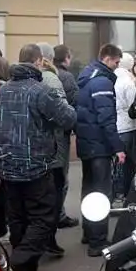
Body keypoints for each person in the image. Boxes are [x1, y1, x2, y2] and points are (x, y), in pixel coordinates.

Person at [0, 44, 76, 271]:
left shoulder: (1, 91)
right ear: (39, 61)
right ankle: (16, 263)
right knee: (43, 218)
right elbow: (68, 118)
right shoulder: (41, 91)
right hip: (36, 167)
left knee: (18, 219)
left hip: (7, 166)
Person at [75, 43, 125, 257]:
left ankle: (88, 232)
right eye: (116, 61)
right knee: (101, 194)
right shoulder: (103, 81)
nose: (117, 65)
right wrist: (118, 148)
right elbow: (106, 119)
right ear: (107, 59)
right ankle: (98, 241)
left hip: (86, 144)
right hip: (100, 147)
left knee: (88, 190)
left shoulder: (86, 76)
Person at [36, 43, 69, 257]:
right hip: (53, 148)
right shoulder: (51, 79)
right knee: (54, 193)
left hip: (31, 151)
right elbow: (64, 115)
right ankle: (48, 238)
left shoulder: (15, 82)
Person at [52, 44, 79, 229]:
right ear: (66, 58)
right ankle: (59, 215)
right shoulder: (66, 77)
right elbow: (73, 105)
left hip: (44, 135)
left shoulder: (46, 74)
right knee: (61, 177)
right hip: (60, 134)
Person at [113, 53, 136, 203]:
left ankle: (116, 194)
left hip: (115, 126)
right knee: (126, 164)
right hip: (127, 126)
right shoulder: (129, 83)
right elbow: (133, 106)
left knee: (117, 164)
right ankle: (123, 194)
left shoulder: (112, 79)